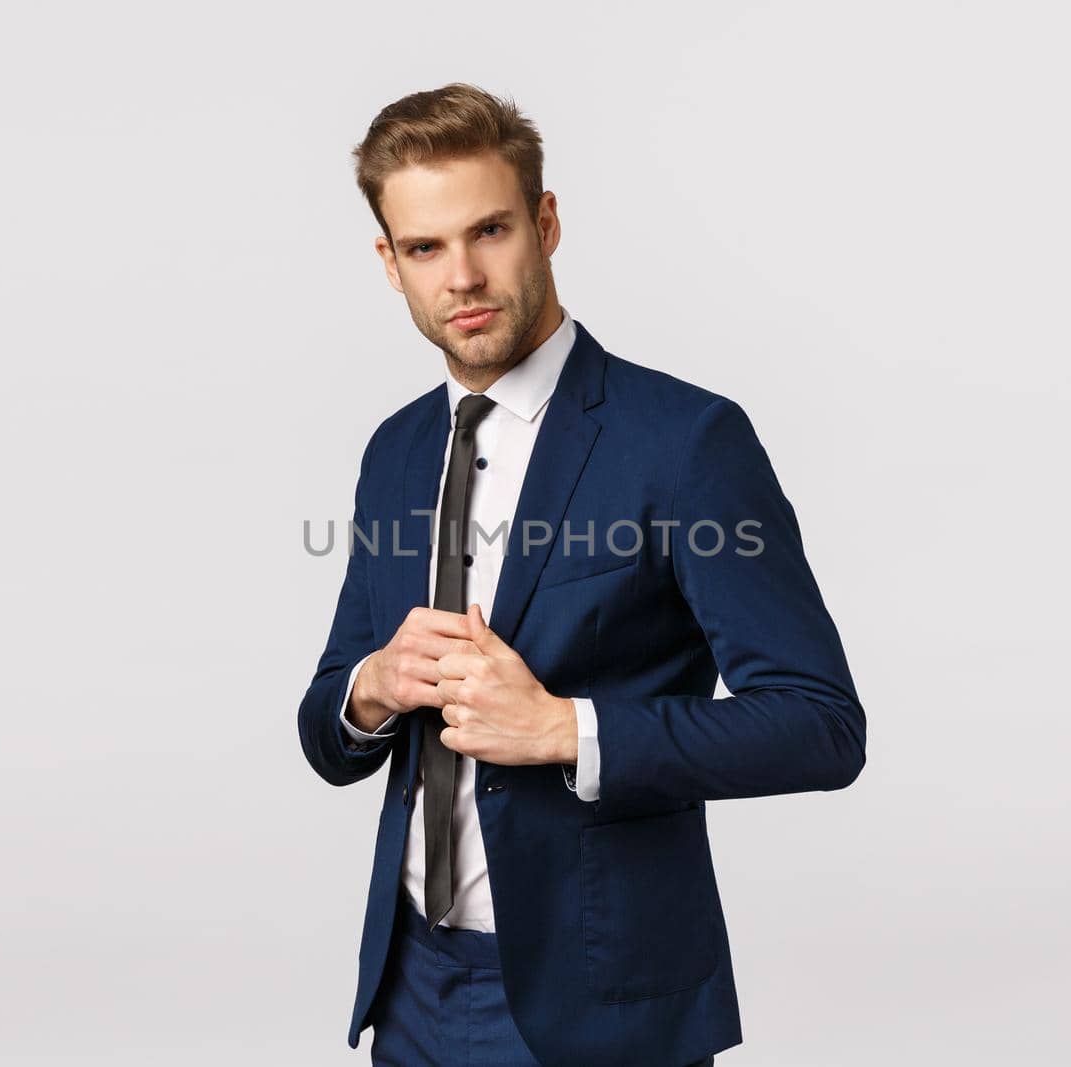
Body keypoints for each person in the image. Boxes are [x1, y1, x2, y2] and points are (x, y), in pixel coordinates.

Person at [297, 82, 867, 1067]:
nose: (464, 275)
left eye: (490, 230)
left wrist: (566, 728)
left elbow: (819, 723)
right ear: (389, 265)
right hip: (410, 988)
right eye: (426, 247)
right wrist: (372, 687)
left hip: (594, 1005)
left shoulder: (685, 441)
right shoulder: (394, 450)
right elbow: (327, 730)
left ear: (546, 223)